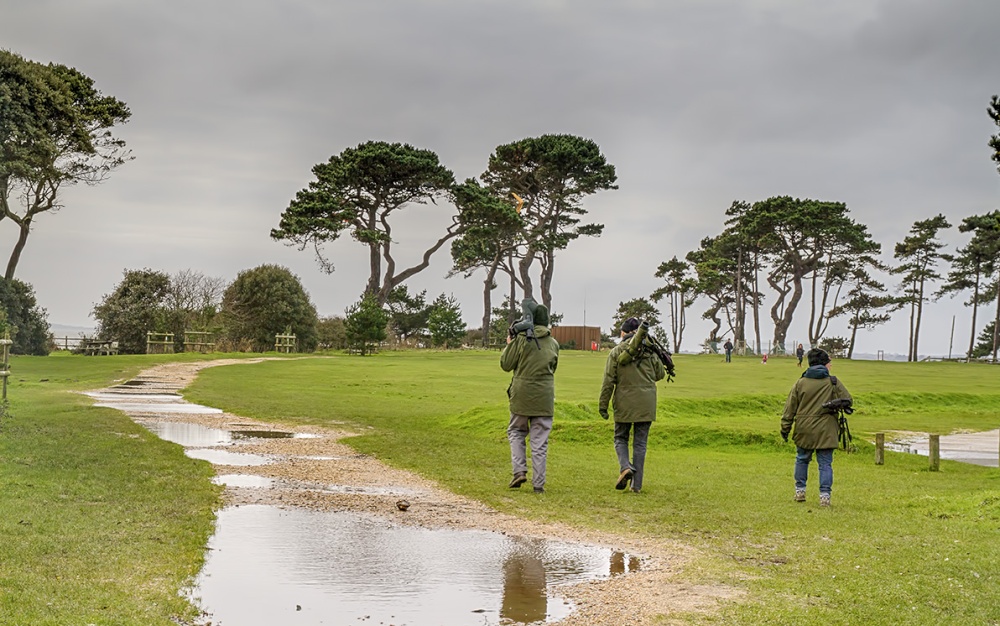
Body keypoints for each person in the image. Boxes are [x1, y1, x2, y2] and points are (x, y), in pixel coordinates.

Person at [598, 317, 666, 493]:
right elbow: (660, 374)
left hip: (624, 402)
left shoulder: (616, 352)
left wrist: (603, 405)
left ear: (623, 332)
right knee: (640, 444)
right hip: (646, 403)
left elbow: (608, 381)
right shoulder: (650, 350)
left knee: (620, 438)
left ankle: (625, 467)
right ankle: (636, 485)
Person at [780, 348, 852, 507]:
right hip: (826, 429)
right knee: (825, 463)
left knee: (802, 459)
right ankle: (825, 496)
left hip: (804, 428)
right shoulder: (833, 382)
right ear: (824, 364)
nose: (830, 365)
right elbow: (848, 400)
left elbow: (789, 409)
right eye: (829, 362)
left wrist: (785, 428)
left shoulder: (800, 383)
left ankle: (800, 491)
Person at [500, 302, 559, 493]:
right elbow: (553, 368)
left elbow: (506, 364)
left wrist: (510, 344)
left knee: (516, 431)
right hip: (545, 396)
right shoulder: (553, 343)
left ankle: (519, 471)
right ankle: (539, 484)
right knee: (540, 441)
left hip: (521, 394)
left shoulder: (521, 339)